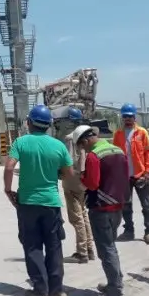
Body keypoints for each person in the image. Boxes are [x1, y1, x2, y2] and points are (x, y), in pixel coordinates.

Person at [3, 104, 73, 296]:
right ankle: (56, 291)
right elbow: (69, 174)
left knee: (32, 246)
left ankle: (40, 292)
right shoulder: (58, 145)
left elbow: (9, 167)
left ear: (29, 123)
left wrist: (8, 189)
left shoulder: (21, 142)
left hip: (28, 203)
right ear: (49, 124)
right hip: (51, 203)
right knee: (54, 245)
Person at [72, 125, 129, 296]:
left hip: (102, 208)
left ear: (86, 140)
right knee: (111, 246)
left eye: (82, 146)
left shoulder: (94, 156)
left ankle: (115, 294)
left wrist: (81, 177)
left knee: (106, 250)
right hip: (118, 205)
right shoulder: (117, 150)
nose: (83, 149)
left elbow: (92, 184)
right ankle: (115, 282)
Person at [112, 103, 149, 244]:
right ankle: (128, 231)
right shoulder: (118, 134)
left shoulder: (142, 132)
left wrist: (147, 172)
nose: (127, 119)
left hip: (141, 175)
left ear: (134, 117)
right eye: (125, 116)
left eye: (130, 116)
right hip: (124, 176)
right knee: (126, 205)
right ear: (122, 117)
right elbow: (115, 154)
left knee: (146, 205)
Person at [59, 107, 95, 264]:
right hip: (83, 178)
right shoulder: (85, 135)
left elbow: (68, 160)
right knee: (84, 214)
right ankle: (89, 248)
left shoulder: (69, 138)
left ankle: (82, 252)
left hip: (72, 178)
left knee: (76, 217)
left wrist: (60, 173)